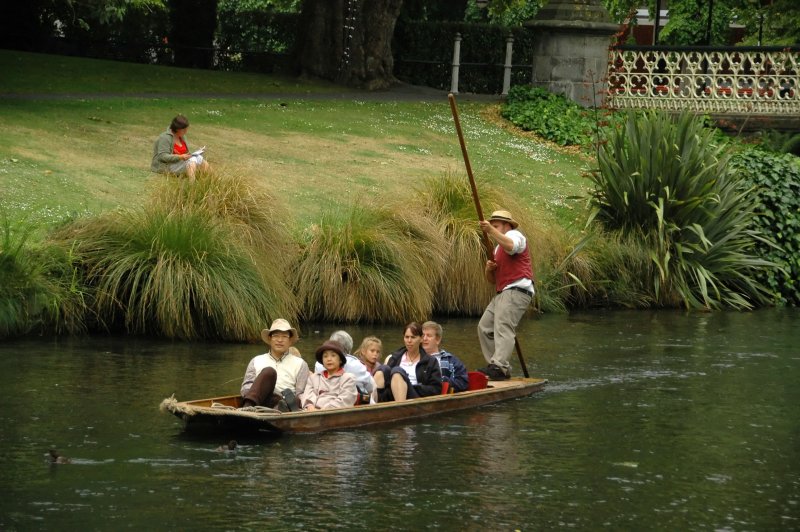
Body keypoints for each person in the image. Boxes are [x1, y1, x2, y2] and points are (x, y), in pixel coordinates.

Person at [477, 210, 534, 381]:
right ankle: (497, 367)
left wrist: (490, 231)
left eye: (496, 226)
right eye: (492, 225)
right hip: (502, 292)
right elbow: (492, 280)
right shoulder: (497, 248)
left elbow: (511, 246)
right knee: (484, 327)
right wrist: (489, 269)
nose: (493, 228)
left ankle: (499, 366)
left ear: (507, 225)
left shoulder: (516, 235)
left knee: (503, 326)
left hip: (517, 290)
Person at [240, 319, 309, 411]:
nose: (280, 340)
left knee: (293, 399)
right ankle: (247, 409)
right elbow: (246, 386)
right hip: (259, 400)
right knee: (269, 372)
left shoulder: (301, 364)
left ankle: (276, 412)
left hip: (284, 402)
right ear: (269, 338)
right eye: (276, 336)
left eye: (284, 336)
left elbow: (301, 393)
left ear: (290, 340)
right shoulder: (256, 360)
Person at [375, 322, 442, 402]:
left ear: (421, 338)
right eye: (407, 337)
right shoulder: (395, 358)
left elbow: (436, 389)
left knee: (397, 371)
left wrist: (412, 386)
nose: (409, 341)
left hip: (414, 397)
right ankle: (374, 405)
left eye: (413, 337)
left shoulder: (430, 361)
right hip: (391, 395)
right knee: (382, 369)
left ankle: (400, 408)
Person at [314, 330, 374, 399]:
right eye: (326, 356)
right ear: (349, 347)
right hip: (356, 403)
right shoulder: (357, 364)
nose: (329, 359)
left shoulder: (319, 364)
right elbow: (370, 388)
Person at [301, 341, 358, 411]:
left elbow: (345, 400)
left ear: (340, 360)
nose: (329, 359)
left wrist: (323, 411)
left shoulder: (348, 378)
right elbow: (307, 396)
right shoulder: (313, 378)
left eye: (333, 355)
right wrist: (310, 407)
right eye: (325, 356)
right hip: (311, 413)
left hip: (336, 415)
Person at [151, 114, 210, 180]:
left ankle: (210, 181)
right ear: (177, 129)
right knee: (191, 163)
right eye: (184, 130)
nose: (186, 131)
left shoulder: (182, 136)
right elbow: (162, 156)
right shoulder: (165, 138)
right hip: (167, 166)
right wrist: (180, 157)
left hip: (180, 162)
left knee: (200, 159)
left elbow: (185, 153)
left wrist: (196, 152)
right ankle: (191, 184)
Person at [422, 321, 468, 393]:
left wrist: (444, 380)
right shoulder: (412, 358)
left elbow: (463, 383)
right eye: (422, 335)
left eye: (429, 336)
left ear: (438, 340)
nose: (424, 338)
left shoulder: (451, 361)